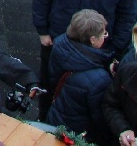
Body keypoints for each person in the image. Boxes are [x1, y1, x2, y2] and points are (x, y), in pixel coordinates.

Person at [46, 9, 114, 140]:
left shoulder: (60, 43)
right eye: (104, 34)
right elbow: (99, 117)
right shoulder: (99, 79)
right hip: (76, 133)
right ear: (92, 40)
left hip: (55, 116)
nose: (106, 36)